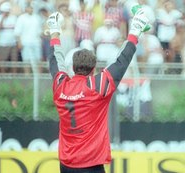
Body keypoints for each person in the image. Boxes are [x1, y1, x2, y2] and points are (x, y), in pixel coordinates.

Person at [46, 7, 150, 173]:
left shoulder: (61, 85)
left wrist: (54, 32)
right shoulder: (97, 86)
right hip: (90, 164)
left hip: (66, 164)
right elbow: (121, 62)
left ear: (72, 67)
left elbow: (54, 60)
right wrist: (135, 30)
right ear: (94, 69)